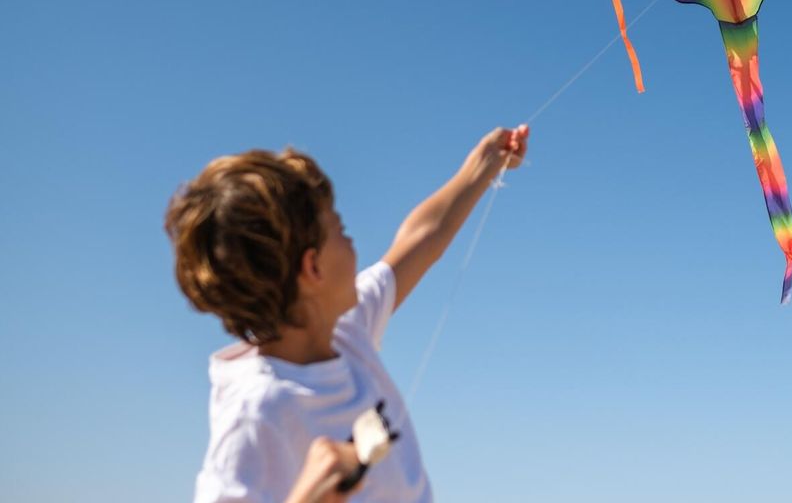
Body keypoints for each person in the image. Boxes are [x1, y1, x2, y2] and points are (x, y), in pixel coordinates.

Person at [166, 125, 530, 502]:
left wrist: (483, 165)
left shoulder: (346, 331)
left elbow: (421, 239)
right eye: (340, 229)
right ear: (313, 269)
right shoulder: (255, 412)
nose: (351, 238)